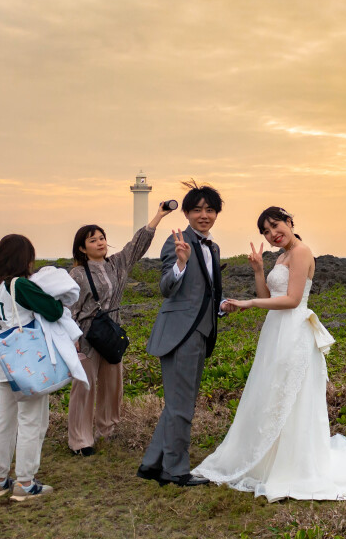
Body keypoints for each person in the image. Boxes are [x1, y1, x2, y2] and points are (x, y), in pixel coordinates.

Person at [192, 207, 346, 502]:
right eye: (265, 231)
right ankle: (268, 458)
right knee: (271, 392)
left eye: (275, 226)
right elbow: (269, 298)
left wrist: (249, 303)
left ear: (290, 222)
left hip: (294, 332)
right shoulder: (281, 256)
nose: (272, 234)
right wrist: (258, 271)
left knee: (292, 396)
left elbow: (291, 301)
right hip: (275, 333)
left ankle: (293, 464)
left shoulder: (302, 252)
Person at [0, 234, 86, 501]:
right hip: (26, 362)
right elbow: (54, 310)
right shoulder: (19, 285)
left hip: (0, 359)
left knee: (3, 419)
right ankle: (25, 481)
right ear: (24, 259)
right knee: (31, 421)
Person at [137, 182, 232, 487]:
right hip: (180, 334)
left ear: (216, 213)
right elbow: (165, 288)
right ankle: (175, 470)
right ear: (188, 213)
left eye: (210, 209)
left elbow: (207, 289)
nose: (204, 215)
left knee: (180, 403)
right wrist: (180, 262)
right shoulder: (177, 241)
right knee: (181, 406)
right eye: (198, 209)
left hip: (201, 332)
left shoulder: (212, 246)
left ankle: (152, 464)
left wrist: (220, 307)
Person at [67, 202, 173, 457]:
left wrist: (158, 216)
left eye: (102, 238)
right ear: (82, 248)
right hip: (86, 335)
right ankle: (80, 440)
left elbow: (137, 244)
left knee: (112, 384)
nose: (100, 243)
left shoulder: (117, 264)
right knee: (84, 386)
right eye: (93, 240)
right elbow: (69, 308)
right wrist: (72, 338)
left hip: (112, 333)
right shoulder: (77, 274)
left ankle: (107, 429)